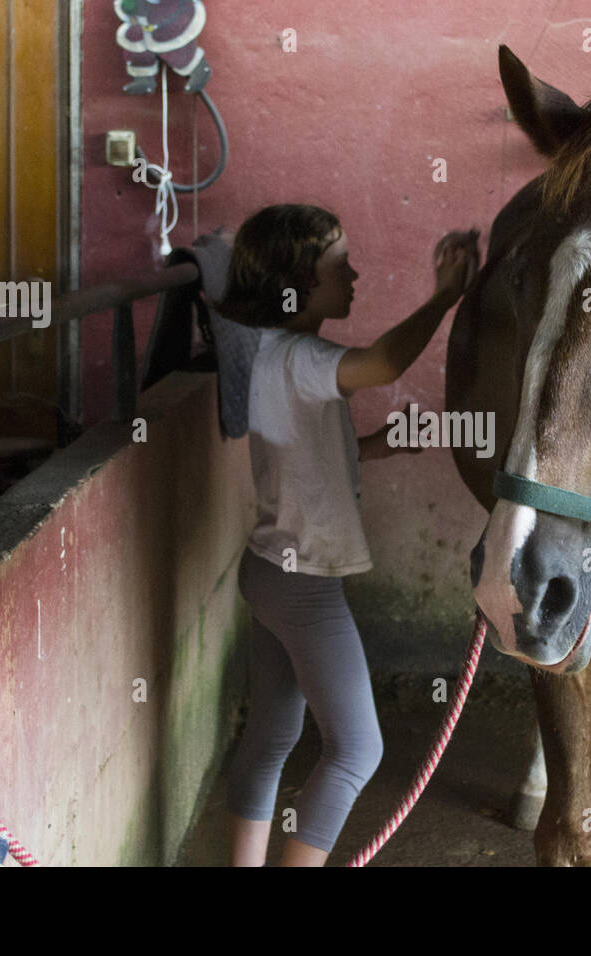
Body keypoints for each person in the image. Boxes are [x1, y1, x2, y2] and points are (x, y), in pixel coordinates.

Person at [221, 204, 478, 866]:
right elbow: (388, 362)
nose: (354, 273)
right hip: (303, 585)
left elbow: (299, 458)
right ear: (296, 281)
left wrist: (373, 447)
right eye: (338, 265)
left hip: (269, 571)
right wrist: (446, 293)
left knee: (272, 739)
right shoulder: (305, 357)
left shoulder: (269, 353)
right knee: (359, 749)